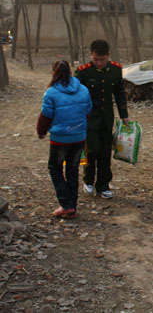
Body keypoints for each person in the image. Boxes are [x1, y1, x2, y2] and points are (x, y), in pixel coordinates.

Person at [37, 60, 92, 218]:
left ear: (54, 72)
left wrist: (41, 132)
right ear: (70, 71)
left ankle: (65, 204)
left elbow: (45, 117)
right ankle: (72, 207)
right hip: (79, 138)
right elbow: (88, 112)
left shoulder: (51, 93)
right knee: (72, 170)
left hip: (60, 140)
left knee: (55, 168)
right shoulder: (83, 89)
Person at [74, 39, 129, 199]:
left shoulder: (115, 70)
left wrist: (124, 115)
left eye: (102, 59)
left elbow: (119, 94)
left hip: (106, 117)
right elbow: (75, 95)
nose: (99, 63)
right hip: (88, 118)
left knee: (105, 151)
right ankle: (88, 180)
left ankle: (103, 185)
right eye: (96, 59)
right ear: (91, 56)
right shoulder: (83, 72)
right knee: (93, 148)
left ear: (108, 56)